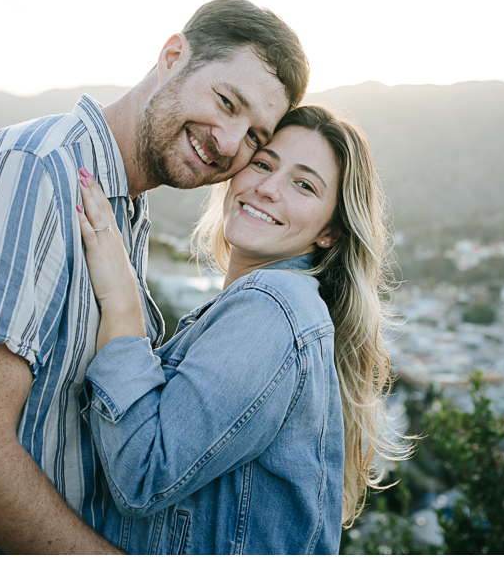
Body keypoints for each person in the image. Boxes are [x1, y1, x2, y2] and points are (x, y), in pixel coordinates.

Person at [0, 0, 308, 555]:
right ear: (173, 56)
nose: (230, 143)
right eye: (227, 102)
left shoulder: (124, 211)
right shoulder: (34, 170)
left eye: (255, 136)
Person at [77, 104, 406, 554]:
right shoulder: (276, 306)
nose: (267, 188)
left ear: (330, 232)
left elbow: (143, 471)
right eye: (263, 163)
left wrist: (121, 303)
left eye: (304, 184)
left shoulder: (273, 306)